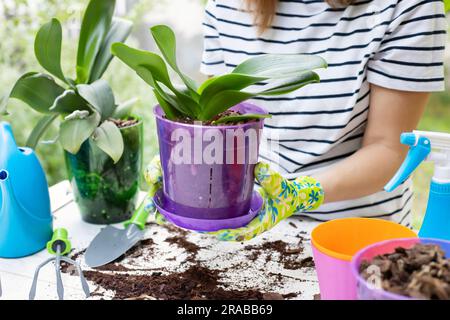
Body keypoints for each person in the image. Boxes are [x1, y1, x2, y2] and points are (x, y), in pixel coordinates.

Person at [146, 0, 447, 241]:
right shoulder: (226, 6)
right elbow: (222, 118)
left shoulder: (407, 6)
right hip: (248, 223)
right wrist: (187, 162)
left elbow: (388, 148)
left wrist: (297, 195)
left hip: (352, 237)